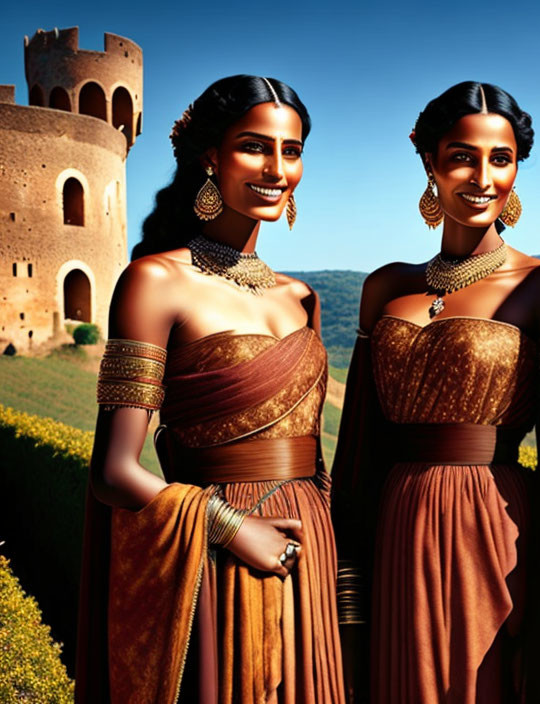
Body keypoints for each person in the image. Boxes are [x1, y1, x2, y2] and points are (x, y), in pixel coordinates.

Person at [75, 75, 344, 704]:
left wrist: (339, 565)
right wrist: (230, 528)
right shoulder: (155, 282)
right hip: (220, 553)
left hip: (311, 549)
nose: (277, 168)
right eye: (255, 146)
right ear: (209, 155)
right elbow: (113, 471)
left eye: (293, 150)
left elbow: (317, 455)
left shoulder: (301, 297)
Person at [331, 81, 540, 703]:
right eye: (461, 156)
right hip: (395, 527)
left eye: (501, 159)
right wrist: (345, 583)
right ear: (428, 162)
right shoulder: (385, 288)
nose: (482, 176)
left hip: (493, 529)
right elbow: (359, 448)